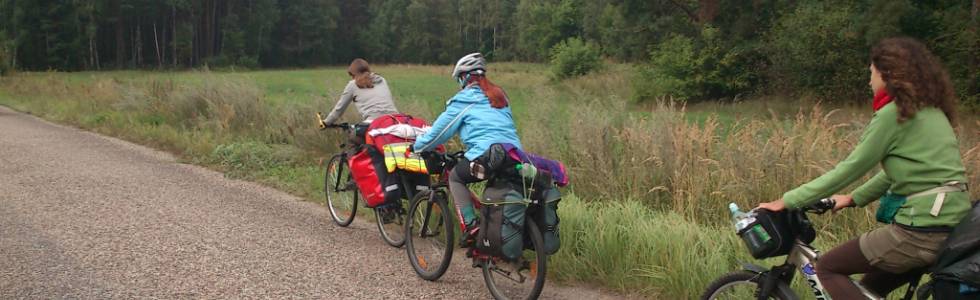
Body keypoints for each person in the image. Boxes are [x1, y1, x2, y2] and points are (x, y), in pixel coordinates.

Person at [756, 37, 971, 298]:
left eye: (872, 73)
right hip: (953, 226)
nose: (870, 81)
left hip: (920, 231)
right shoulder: (932, 112)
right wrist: (852, 198)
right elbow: (898, 175)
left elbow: (850, 168)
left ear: (888, 75)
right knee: (866, 290)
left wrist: (787, 200)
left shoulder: (894, 114)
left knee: (827, 268)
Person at [412, 52, 523, 246]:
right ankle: (494, 237)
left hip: (486, 154)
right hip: (515, 154)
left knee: (455, 176)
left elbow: (439, 133)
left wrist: (417, 146)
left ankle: (471, 225)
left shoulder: (464, 100)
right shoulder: (500, 95)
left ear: (464, 77)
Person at [321, 58, 399, 143]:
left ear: (354, 74)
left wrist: (326, 123)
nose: (352, 78)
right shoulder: (381, 80)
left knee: (354, 137)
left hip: (374, 122)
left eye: (352, 75)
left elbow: (339, 109)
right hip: (395, 120)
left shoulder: (352, 85)